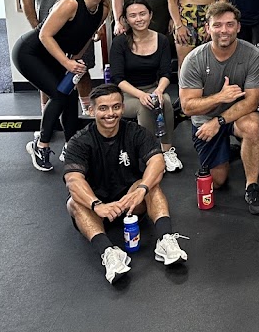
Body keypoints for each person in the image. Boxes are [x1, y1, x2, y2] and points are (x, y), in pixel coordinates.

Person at [63, 85, 188, 285]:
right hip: (98, 208)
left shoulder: (136, 132)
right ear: (91, 110)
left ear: (122, 108)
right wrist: (97, 205)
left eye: (115, 107)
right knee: (73, 202)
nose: (110, 113)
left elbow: (157, 162)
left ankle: (165, 240)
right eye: (103, 108)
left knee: (151, 185)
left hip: (130, 202)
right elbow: (73, 180)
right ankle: (109, 253)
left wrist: (142, 189)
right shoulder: (79, 142)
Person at [14, 0, 111, 172]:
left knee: (70, 96)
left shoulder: (103, 10)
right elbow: (44, 35)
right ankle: (40, 145)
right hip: (29, 53)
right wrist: (66, 63)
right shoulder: (70, 4)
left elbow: (86, 36)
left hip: (53, 56)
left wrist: (75, 60)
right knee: (59, 95)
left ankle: (71, 147)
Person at [179, 1, 259, 215]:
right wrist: (220, 97)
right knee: (217, 181)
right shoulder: (194, 60)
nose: (224, 30)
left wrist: (219, 121)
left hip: (236, 116)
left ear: (238, 27)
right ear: (207, 28)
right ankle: (232, 150)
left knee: (253, 125)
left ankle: (252, 186)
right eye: (217, 25)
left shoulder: (252, 55)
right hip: (204, 120)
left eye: (230, 24)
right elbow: (188, 107)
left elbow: (252, 101)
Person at [109, 0, 181, 172]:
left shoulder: (162, 40)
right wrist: (141, 95)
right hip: (127, 93)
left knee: (165, 102)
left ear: (150, 15)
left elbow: (166, 73)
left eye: (142, 14)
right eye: (133, 15)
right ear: (126, 19)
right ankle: (149, 153)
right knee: (145, 106)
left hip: (153, 87)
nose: (139, 19)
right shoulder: (119, 42)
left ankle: (167, 151)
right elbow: (117, 78)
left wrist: (159, 90)